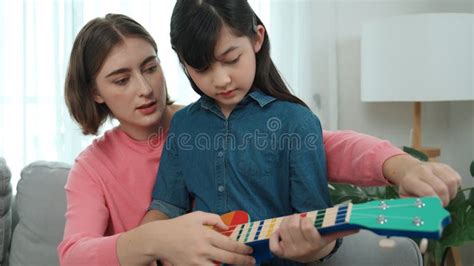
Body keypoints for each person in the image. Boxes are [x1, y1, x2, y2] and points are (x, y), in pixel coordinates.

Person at [58, 13, 461, 266]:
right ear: (95, 92)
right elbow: (73, 255)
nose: (145, 88)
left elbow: (322, 144)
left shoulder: (203, 122)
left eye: (151, 67)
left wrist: (399, 164)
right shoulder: (93, 167)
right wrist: (153, 240)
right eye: (121, 79)